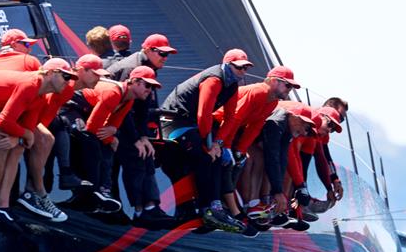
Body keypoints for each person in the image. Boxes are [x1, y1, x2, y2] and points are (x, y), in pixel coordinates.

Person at [0, 59, 77, 226]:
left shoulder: (40, 95)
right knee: (0, 144)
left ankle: (3, 203)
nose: (68, 82)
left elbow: (27, 131)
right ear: (50, 73)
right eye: (66, 76)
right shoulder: (30, 85)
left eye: (71, 78)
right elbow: (5, 122)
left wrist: (21, 136)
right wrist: (24, 134)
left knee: (16, 145)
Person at [160, 48, 253, 232]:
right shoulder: (214, 80)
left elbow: (231, 118)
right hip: (174, 122)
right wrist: (208, 146)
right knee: (204, 157)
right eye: (239, 68)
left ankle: (216, 207)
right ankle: (207, 209)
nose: (243, 72)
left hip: (192, 123)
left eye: (246, 68)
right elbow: (204, 114)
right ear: (227, 65)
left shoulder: (232, 84)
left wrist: (218, 143)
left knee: (217, 158)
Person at [59, 66, 160, 218]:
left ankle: (102, 190)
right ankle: (93, 190)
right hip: (72, 106)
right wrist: (110, 137)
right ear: (135, 82)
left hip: (88, 111)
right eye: (147, 85)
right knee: (91, 142)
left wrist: (112, 135)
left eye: (152, 87)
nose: (150, 90)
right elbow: (92, 128)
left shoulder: (129, 100)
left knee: (109, 145)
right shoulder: (113, 93)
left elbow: (114, 125)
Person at [106, 33, 178, 226]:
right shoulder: (132, 68)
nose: (165, 58)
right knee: (135, 157)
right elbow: (124, 108)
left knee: (146, 156)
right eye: (161, 53)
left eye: (167, 54)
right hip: (110, 121)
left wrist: (144, 137)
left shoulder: (149, 67)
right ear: (147, 50)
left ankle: (151, 207)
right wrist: (137, 139)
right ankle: (140, 211)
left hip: (123, 120)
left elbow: (142, 106)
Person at [213, 65, 300, 221]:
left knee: (254, 158)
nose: (290, 90)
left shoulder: (272, 102)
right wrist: (224, 145)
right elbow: (234, 118)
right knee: (236, 161)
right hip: (219, 125)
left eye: (292, 87)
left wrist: (241, 149)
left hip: (232, 130)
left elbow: (255, 127)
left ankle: (251, 204)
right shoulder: (259, 92)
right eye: (288, 85)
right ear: (273, 81)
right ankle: (228, 206)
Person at [40, 54, 109, 192]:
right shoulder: (63, 87)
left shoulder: (68, 89)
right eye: (96, 74)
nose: (99, 79)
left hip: (39, 125)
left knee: (60, 128)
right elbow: (42, 117)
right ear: (82, 70)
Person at [252, 103, 317, 227]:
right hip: (228, 137)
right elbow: (272, 157)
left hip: (247, 140)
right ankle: (253, 204)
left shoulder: (288, 129)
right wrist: (277, 192)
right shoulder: (277, 122)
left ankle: (272, 205)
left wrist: (281, 191)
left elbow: (283, 159)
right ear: (295, 117)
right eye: (306, 127)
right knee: (261, 160)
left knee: (279, 166)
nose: (304, 132)